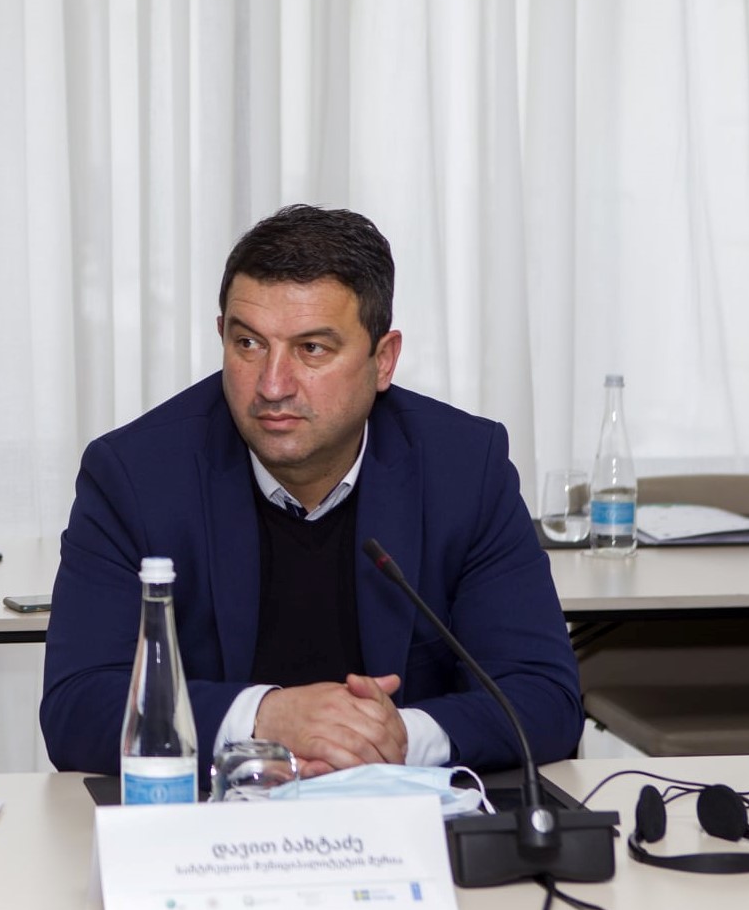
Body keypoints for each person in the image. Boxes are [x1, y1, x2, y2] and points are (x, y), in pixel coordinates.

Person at [40, 205, 581, 779]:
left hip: (405, 817)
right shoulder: (135, 476)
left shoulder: (463, 469)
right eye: (248, 344)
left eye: (312, 349)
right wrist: (265, 718)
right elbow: (78, 707)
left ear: (383, 361)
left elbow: (544, 696)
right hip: (214, 818)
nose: (272, 385)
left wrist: (396, 737)